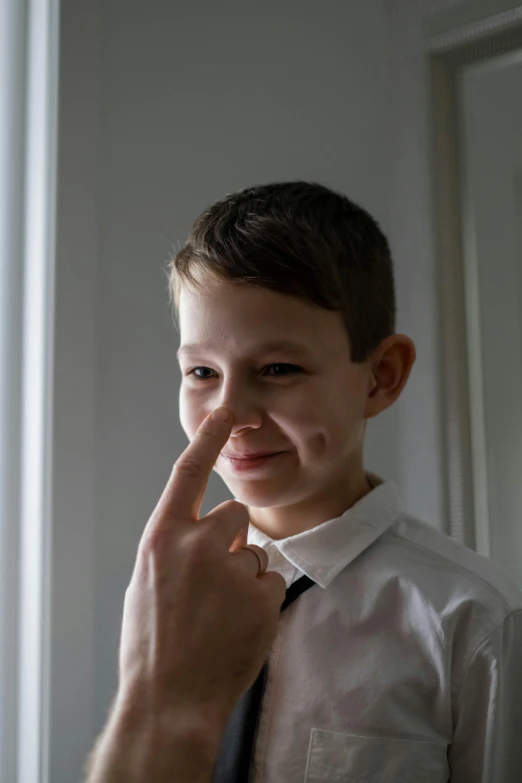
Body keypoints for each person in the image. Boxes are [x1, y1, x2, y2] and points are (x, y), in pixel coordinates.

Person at [86, 181, 522, 782]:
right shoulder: (172, 596)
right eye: (202, 371)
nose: (231, 413)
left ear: (380, 377)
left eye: (278, 369)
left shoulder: (473, 622)